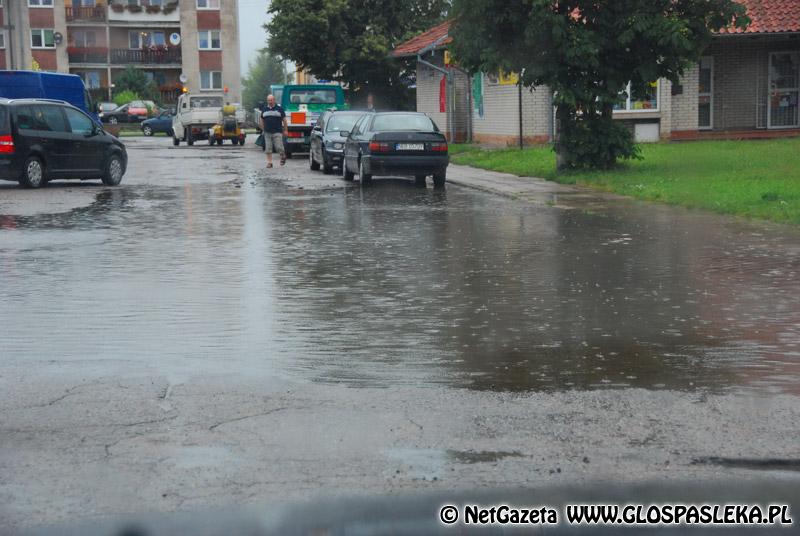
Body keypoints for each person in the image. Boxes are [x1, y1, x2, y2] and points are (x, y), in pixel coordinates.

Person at [260, 94, 288, 167]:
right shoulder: (264, 109)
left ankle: (283, 156)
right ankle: (270, 163)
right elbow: (262, 120)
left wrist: (285, 130)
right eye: (268, 100)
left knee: (279, 147)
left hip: (277, 131)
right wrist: (263, 129)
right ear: (267, 101)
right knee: (268, 148)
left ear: (274, 100)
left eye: (271, 100)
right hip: (267, 132)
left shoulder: (279, 109)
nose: (270, 101)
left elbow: (284, 120)